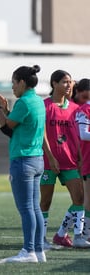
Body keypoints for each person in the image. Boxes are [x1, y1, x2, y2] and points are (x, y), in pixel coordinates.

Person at [0, 65, 46, 263]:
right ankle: (39, 251)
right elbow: (17, 123)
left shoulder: (24, 102)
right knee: (35, 208)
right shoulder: (38, 101)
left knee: (26, 208)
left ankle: (28, 251)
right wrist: (5, 109)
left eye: (13, 83)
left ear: (22, 82)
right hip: (37, 159)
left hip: (23, 160)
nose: (12, 87)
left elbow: (7, 127)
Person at [39, 70, 90, 249]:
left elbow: (77, 136)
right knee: (45, 202)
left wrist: (80, 157)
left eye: (70, 82)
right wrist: (51, 158)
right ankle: (40, 240)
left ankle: (77, 237)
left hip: (70, 162)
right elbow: (42, 135)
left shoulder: (75, 109)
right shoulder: (43, 106)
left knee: (79, 198)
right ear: (54, 84)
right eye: (64, 82)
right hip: (47, 162)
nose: (69, 85)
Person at [76, 93, 90, 241]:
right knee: (88, 199)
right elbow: (83, 134)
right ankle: (86, 233)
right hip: (89, 159)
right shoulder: (85, 109)